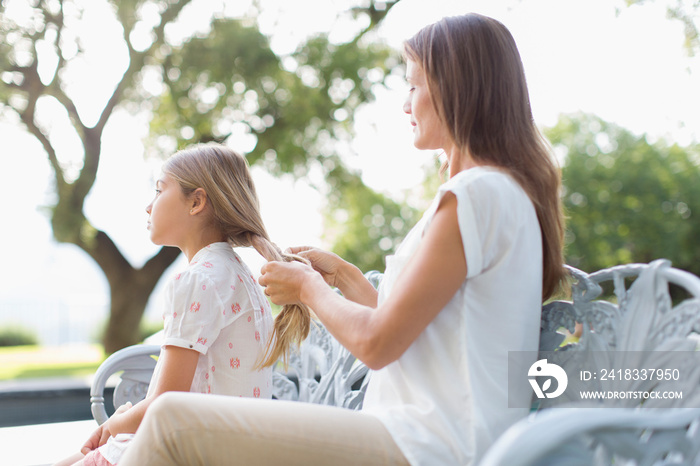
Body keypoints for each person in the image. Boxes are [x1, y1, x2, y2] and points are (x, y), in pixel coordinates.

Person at [118, 13, 566, 466]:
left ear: (458, 88)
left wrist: (308, 290)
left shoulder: (475, 194)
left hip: (431, 447)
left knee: (172, 418)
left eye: (413, 86)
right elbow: (413, 333)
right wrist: (343, 276)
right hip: (423, 437)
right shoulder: (496, 193)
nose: (405, 104)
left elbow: (377, 346)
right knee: (175, 420)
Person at [54, 144, 311, 466]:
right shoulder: (238, 275)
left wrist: (115, 424)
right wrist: (127, 417)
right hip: (225, 447)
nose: (148, 206)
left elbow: (165, 403)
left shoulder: (197, 281)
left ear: (196, 201)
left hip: (188, 452)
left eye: (159, 190)